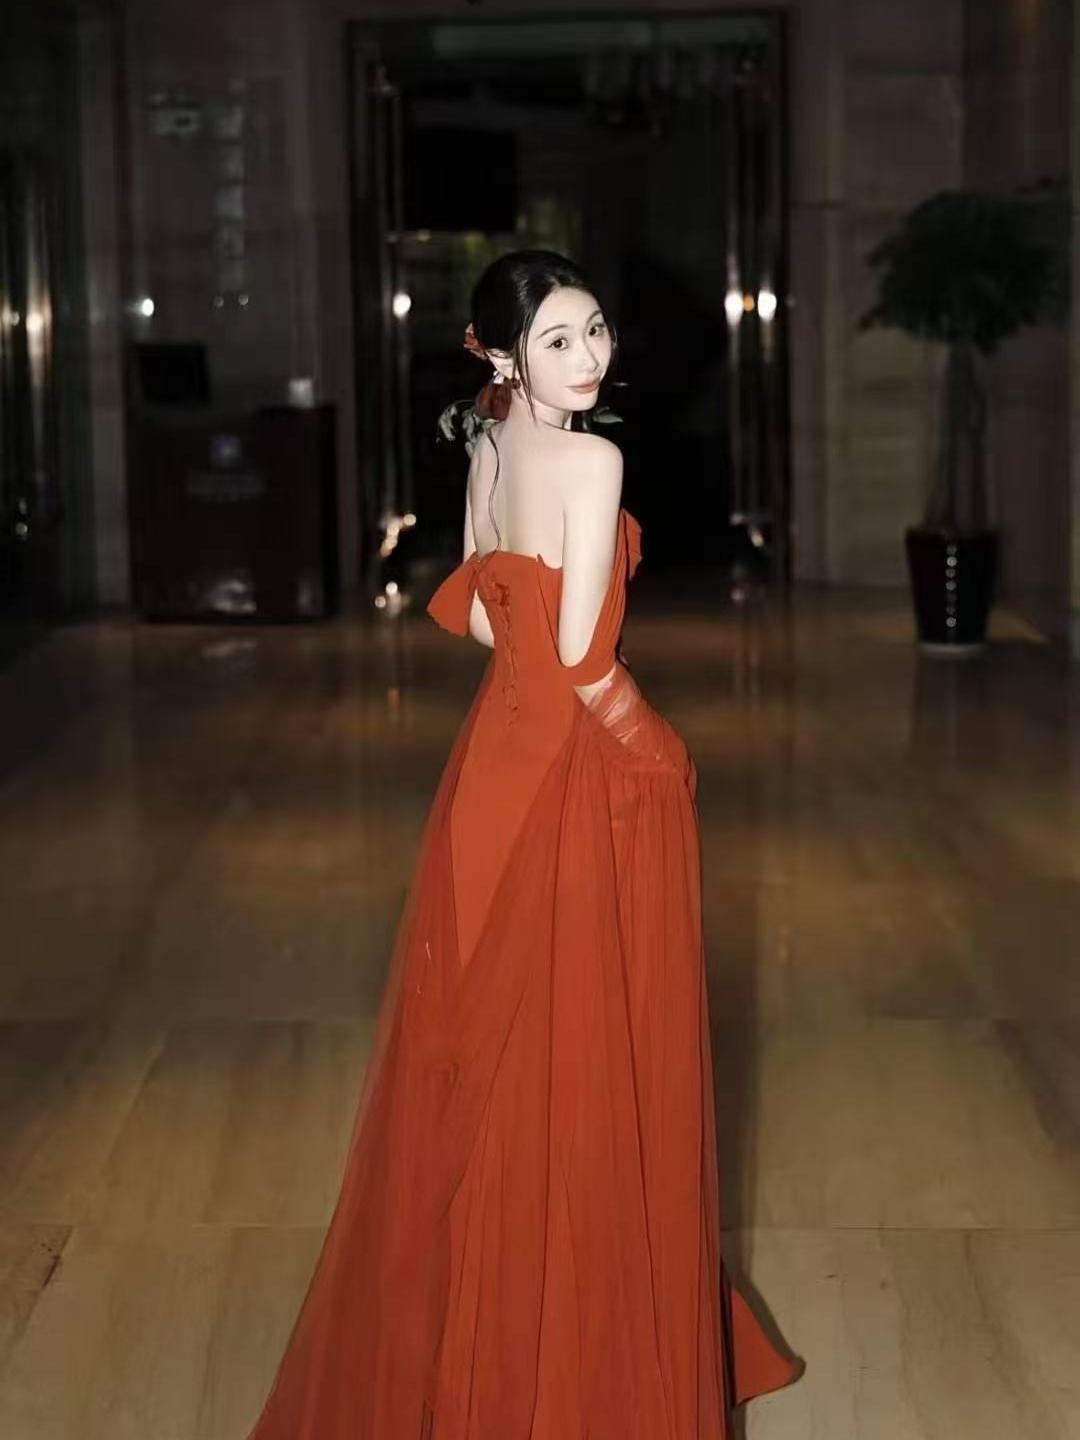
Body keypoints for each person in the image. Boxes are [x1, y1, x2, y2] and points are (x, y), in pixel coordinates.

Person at [243, 249, 802, 1439]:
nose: (590, 356)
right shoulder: (593, 462)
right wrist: (657, 750)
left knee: (494, 1068)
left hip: (488, 775)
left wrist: (542, 655)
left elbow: (479, 615)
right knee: (586, 1063)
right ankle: (581, 1363)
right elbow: (586, 662)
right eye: (558, 339)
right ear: (503, 353)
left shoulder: (490, 443)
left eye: (595, 330)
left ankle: (481, 1353)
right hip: (575, 781)